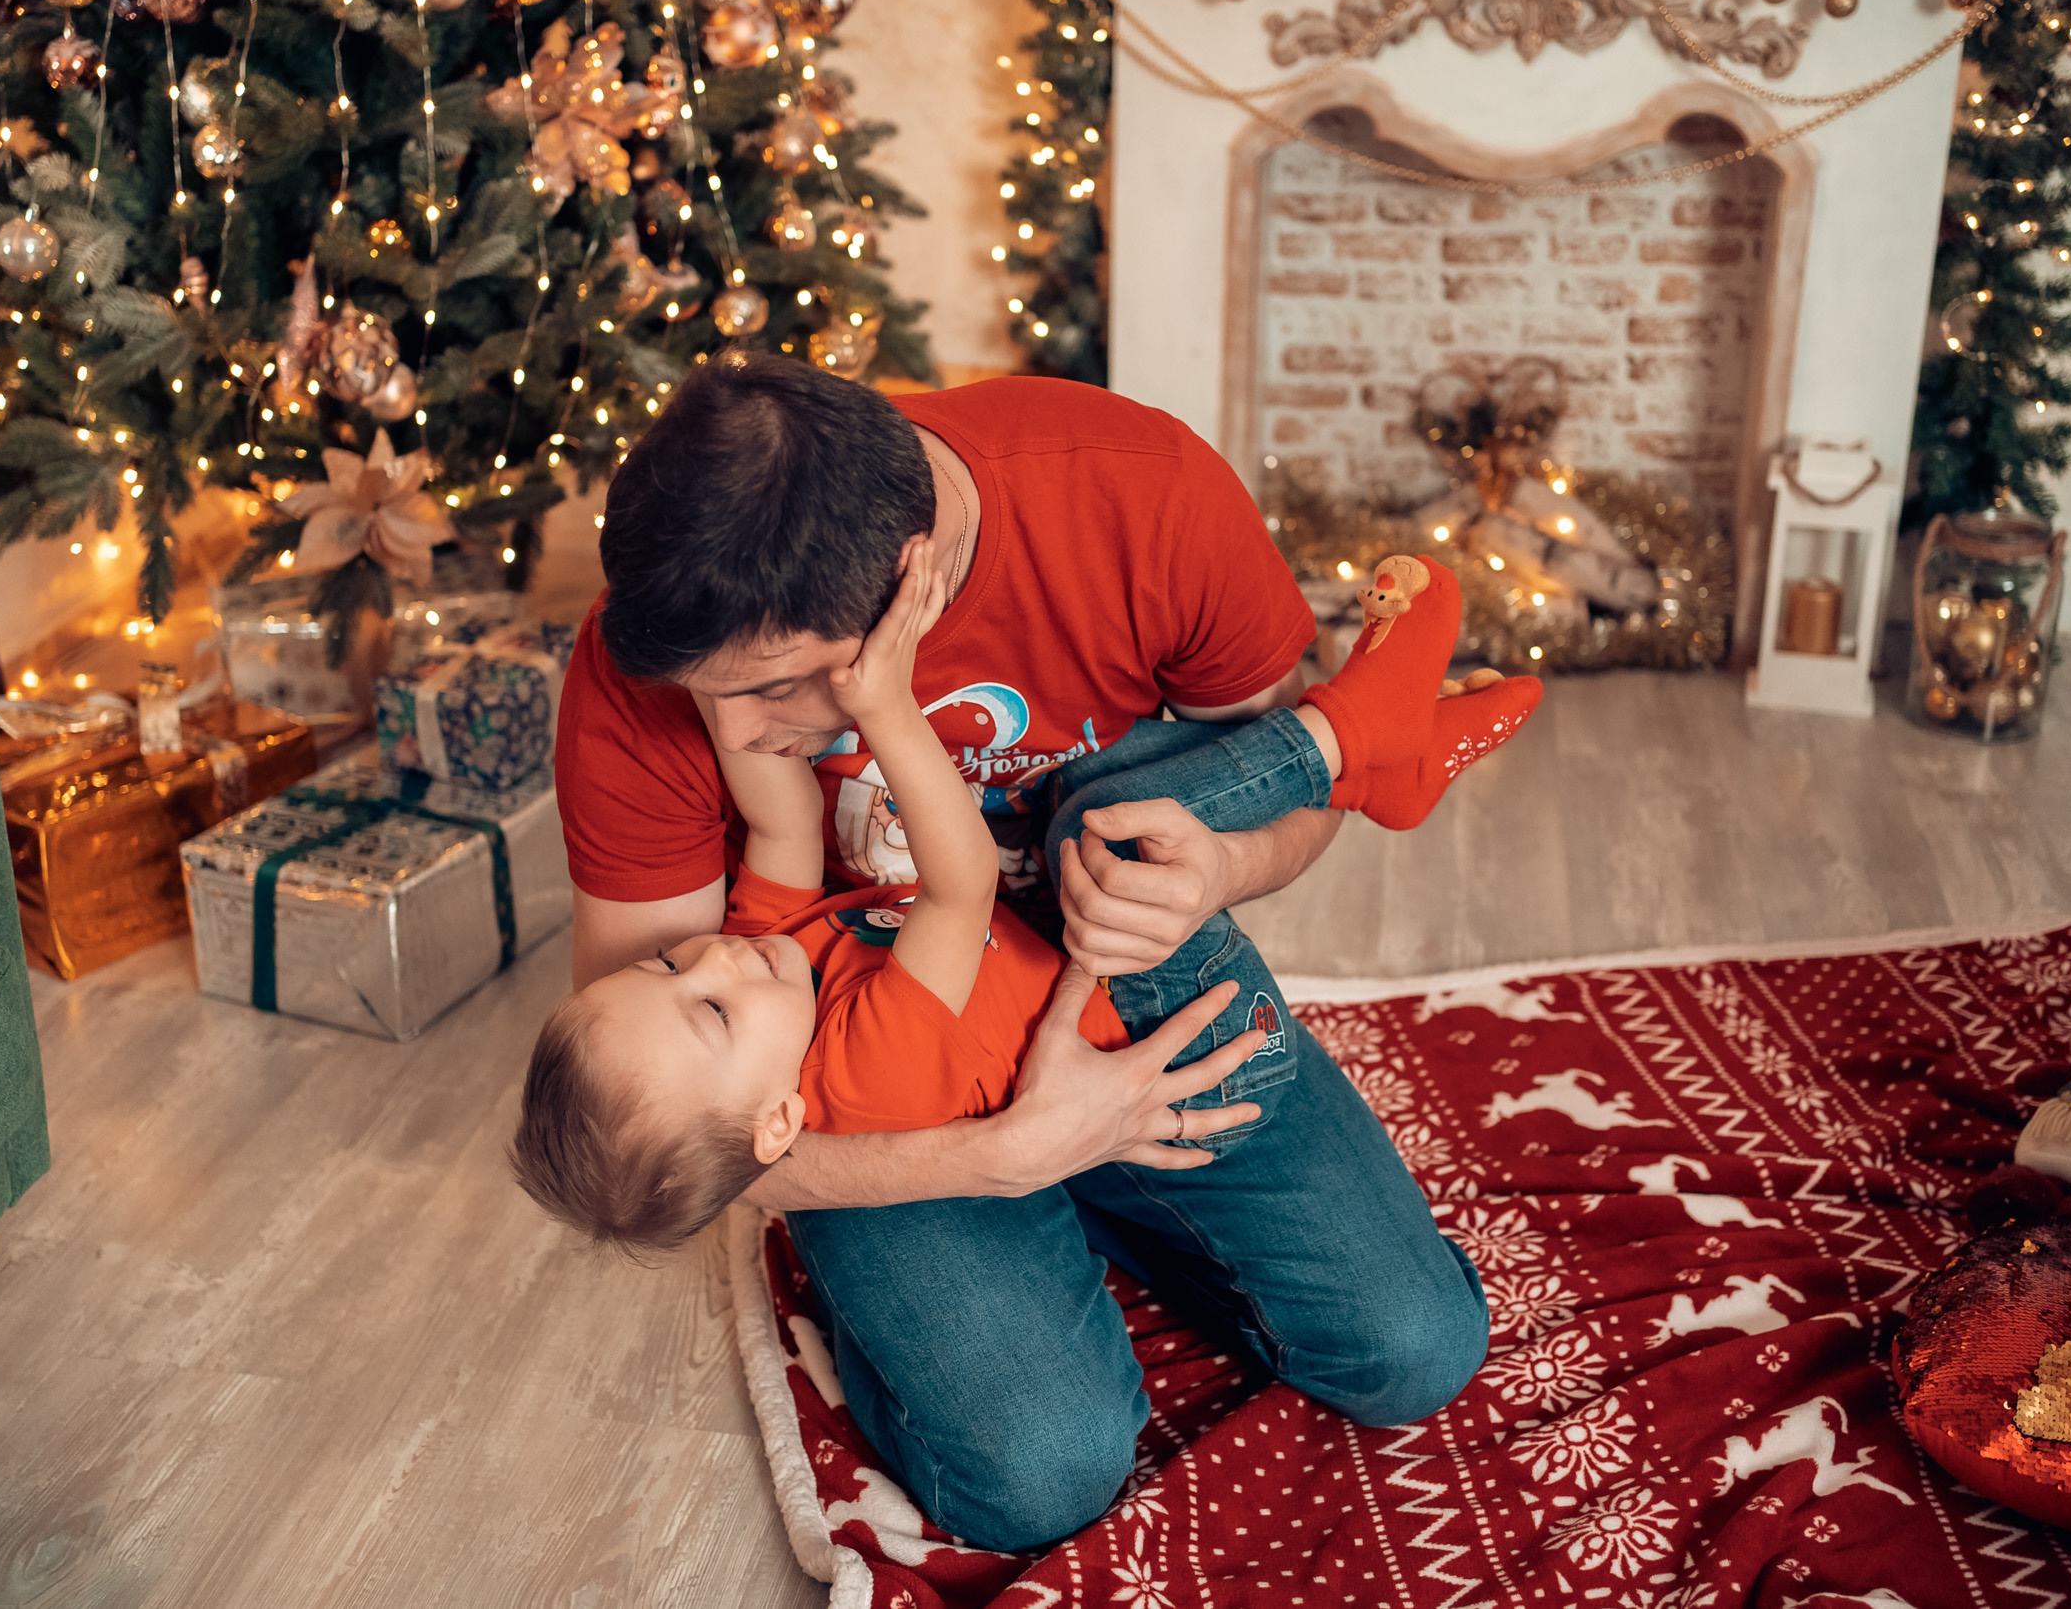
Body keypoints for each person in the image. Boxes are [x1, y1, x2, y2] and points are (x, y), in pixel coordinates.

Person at [552, 353, 1501, 1551]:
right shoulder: (664, 643)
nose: (734, 729)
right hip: (908, 1128)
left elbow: (1275, 818)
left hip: (1131, 986)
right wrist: (1003, 1154)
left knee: (1412, 1349)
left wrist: (1223, 869)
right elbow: (673, 1128)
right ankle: (1043, 1212)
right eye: (711, 697)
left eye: (773, 689)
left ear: (906, 590)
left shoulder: (1145, 497)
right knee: (1038, 1475)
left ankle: (1351, 747)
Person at [513, 540, 1538, 1253]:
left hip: (1086, 975)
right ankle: (1351, 735)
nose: (714, 955)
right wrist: (883, 702)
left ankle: (1385, 757)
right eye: (708, 1007)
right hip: (1178, 1038)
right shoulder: (860, 1067)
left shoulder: (760, 963)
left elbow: (781, 820)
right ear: (780, 1118)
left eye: (668, 960)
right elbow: (957, 886)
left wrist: (714, 664)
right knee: (1108, 817)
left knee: (1103, 799)